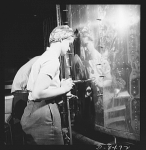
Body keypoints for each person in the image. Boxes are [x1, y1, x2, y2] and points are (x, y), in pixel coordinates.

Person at [20, 25, 75, 145]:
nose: (69, 49)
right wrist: (64, 88)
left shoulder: (44, 57)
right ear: (61, 40)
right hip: (43, 114)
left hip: (33, 111)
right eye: (69, 44)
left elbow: (39, 88)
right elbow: (38, 93)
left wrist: (58, 88)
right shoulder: (52, 60)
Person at [11, 56, 40, 121]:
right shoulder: (41, 60)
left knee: (22, 120)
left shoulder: (37, 59)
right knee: (24, 120)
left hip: (19, 90)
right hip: (21, 91)